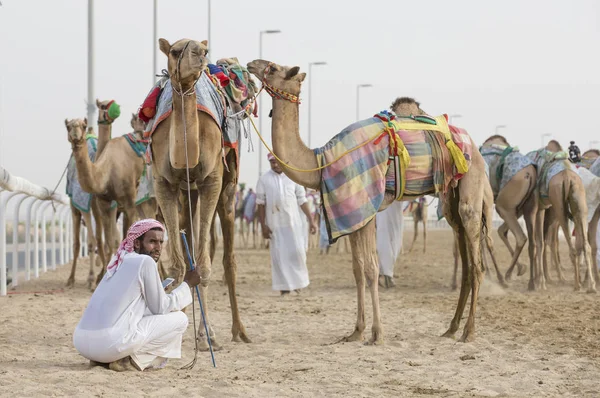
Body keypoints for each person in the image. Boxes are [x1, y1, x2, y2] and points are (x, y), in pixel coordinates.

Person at [73, 219, 201, 372]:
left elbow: (132, 306)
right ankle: (131, 361)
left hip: (82, 344)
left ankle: (103, 360)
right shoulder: (145, 261)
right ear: (137, 243)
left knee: (145, 316)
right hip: (108, 345)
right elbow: (161, 308)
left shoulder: (118, 260)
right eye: (152, 241)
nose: (158, 248)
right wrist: (188, 284)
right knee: (180, 319)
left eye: (161, 242)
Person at [257, 153, 318, 295]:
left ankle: (298, 285)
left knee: (297, 253)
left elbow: (302, 200)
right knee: (279, 256)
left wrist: (312, 220)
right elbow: (260, 204)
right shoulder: (264, 180)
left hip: (294, 224)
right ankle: (284, 288)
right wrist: (263, 226)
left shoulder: (293, 178)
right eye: (272, 162)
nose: (276, 165)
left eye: (278, 162)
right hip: (275, 225)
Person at [375, 200, 406, 288]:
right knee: (384, 238)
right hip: (383, 205)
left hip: (397, 205)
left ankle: (384, 274)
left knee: (397, 243)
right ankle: (385, 275)